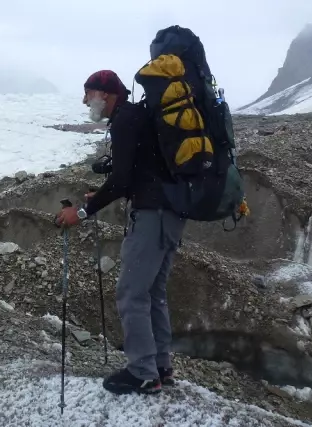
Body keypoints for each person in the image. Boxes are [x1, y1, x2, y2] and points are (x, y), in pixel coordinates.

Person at [55, 70, 186, 395]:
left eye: (89, 94)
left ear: (106, 95)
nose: (85, 100)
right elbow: (133, 174)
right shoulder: (136, 116)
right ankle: (160, 367)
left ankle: (143, 373)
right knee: (153, 293)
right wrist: (102, 195)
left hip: (152, 215)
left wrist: (83, 211)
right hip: (171, 214)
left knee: (132, 294)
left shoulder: (126, 119)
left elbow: (123, 180)